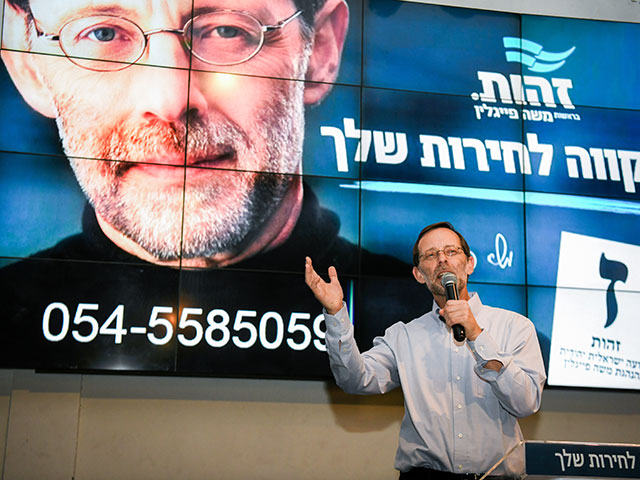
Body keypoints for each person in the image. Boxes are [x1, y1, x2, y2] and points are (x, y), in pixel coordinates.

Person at [0, 0, 428, 375]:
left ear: (320, 48)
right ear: (27, 63)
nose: (170, 102)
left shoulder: (427, 332)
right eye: (102, 34)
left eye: (227, 31)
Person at [305, 221, 546, 478]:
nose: (442, 259)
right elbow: (355, 380)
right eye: (431, 255)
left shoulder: (515, 326)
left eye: (451, 251)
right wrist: (335, 312)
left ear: (470, 264)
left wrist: (477, 335)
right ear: (419, 274)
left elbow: (526, 403)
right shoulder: (404, 336)